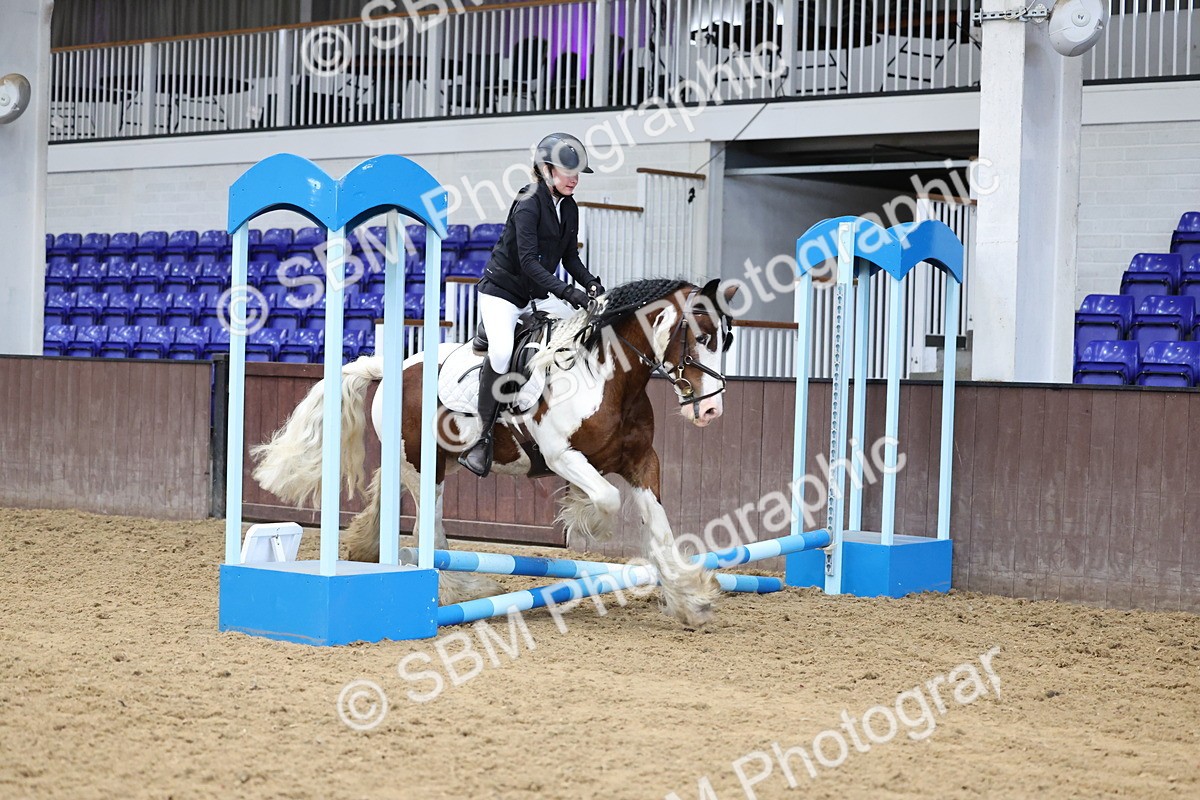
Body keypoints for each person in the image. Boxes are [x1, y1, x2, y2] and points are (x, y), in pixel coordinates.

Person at [457, 132, 606, 478]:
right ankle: (483, 438)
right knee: (501, 352)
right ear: (546, 169)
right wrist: (571, 295)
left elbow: (570, 258)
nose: (574, 178)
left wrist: (592, 284)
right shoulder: (528, 202)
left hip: (533, 296)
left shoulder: (568, 206)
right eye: (568, 170)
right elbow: (528, 263)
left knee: (575, 335)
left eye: (577, 171)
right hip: (502, 295)